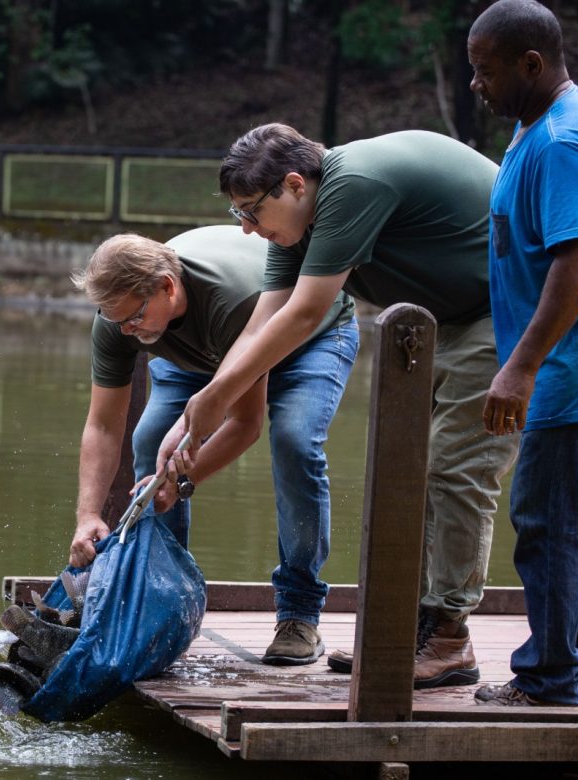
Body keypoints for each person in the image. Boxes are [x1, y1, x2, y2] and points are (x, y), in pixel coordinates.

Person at [166, 125, 520, 689]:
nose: (247, 229)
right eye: (239, 216)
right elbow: (265, 320)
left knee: (456, 470)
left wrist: (217, 398)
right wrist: (201, 409)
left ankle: (449, 638)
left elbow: (307, 314)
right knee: (415, 475)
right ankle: (410, 634)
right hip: (447, 320)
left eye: (253, 212)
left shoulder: (351, 185)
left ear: (294, 183)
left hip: (506, 307)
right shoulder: (297, 228)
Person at [69, 225, 358, 665]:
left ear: (167, 287)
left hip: (305, 336)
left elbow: (245, 424)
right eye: (116, 320)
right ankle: (164, 607)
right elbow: (104, 426)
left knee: (294, 442)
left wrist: (181, 479)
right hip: (200, 351)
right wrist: (87, 514)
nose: (125, 331)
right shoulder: (119, 321)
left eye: (133, 317)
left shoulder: (231, 301)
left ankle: (299, 613)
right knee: (149, 438)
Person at [467, 0, 578, 707]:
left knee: (545, 520)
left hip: (577, 360)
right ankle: (577, 671)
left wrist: (522, 365)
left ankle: (550, 678)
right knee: (570, 520)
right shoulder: (536, 125)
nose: (477, 83)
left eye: (485, 70)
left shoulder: (565, 140)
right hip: (573, 358)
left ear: (530, 64)